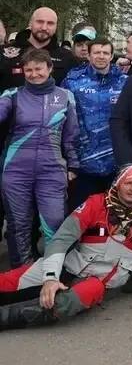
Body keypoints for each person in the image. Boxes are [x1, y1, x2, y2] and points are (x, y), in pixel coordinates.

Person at [0, 164, 132, 330]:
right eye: (128, 183)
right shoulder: (96, 203)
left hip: (98, 281)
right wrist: (50, 278)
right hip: (69, 266)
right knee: (9, 281)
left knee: (72, 298)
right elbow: (62, 239)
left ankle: (7, 318)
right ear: (118, 183)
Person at [0, 49, 80, 265]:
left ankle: (53, 270)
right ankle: (22, 270)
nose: (34, 74)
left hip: (52, 169)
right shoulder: (12, 95)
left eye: (38, 69)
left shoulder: (65, 96)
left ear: (50, 68)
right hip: (15, 170)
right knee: (18, 224)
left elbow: (71, 136)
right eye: (28, 70)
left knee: (55, 221)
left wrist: (73, 166)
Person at [62, 37, 127, 208]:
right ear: (89, 55)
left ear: (111, 56)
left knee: (113, 214)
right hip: (83, 161)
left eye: (105, 53)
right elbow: (64, 118)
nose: (101, 56)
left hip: (116, 162)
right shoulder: (72, 81)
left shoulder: (124, 81)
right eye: (97, 52)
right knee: (80, 213)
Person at [0, 7, 77, 89]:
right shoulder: (3, 52)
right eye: (40, 22)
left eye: (50, 23)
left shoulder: (67, 57)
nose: (44, 27)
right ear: (30, 23)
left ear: (56, 27)